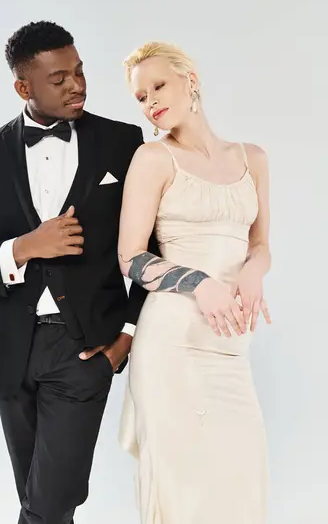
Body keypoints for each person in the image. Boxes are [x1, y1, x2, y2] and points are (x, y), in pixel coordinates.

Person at [0, 21, 152, 524]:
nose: (77, 85)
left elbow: (153, 251)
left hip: (83, 350)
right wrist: (22, 248)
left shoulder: (123, 142)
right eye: (59, 79)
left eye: (79, 72)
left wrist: (126, 336)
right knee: (42, 503)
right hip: (8, 352)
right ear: (23, 86)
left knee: (49, 503)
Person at [117, 41, 272, 524]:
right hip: (172, 345)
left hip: (230, 346)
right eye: (141, 97)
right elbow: (130, 258)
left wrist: (253, 271)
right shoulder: (153, 158)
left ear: (191, 79)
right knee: (184, 494)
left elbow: (262, 245)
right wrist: (198, 281)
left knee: (242, 483)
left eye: (158, 85)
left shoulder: (254, 158)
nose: (151, 102)